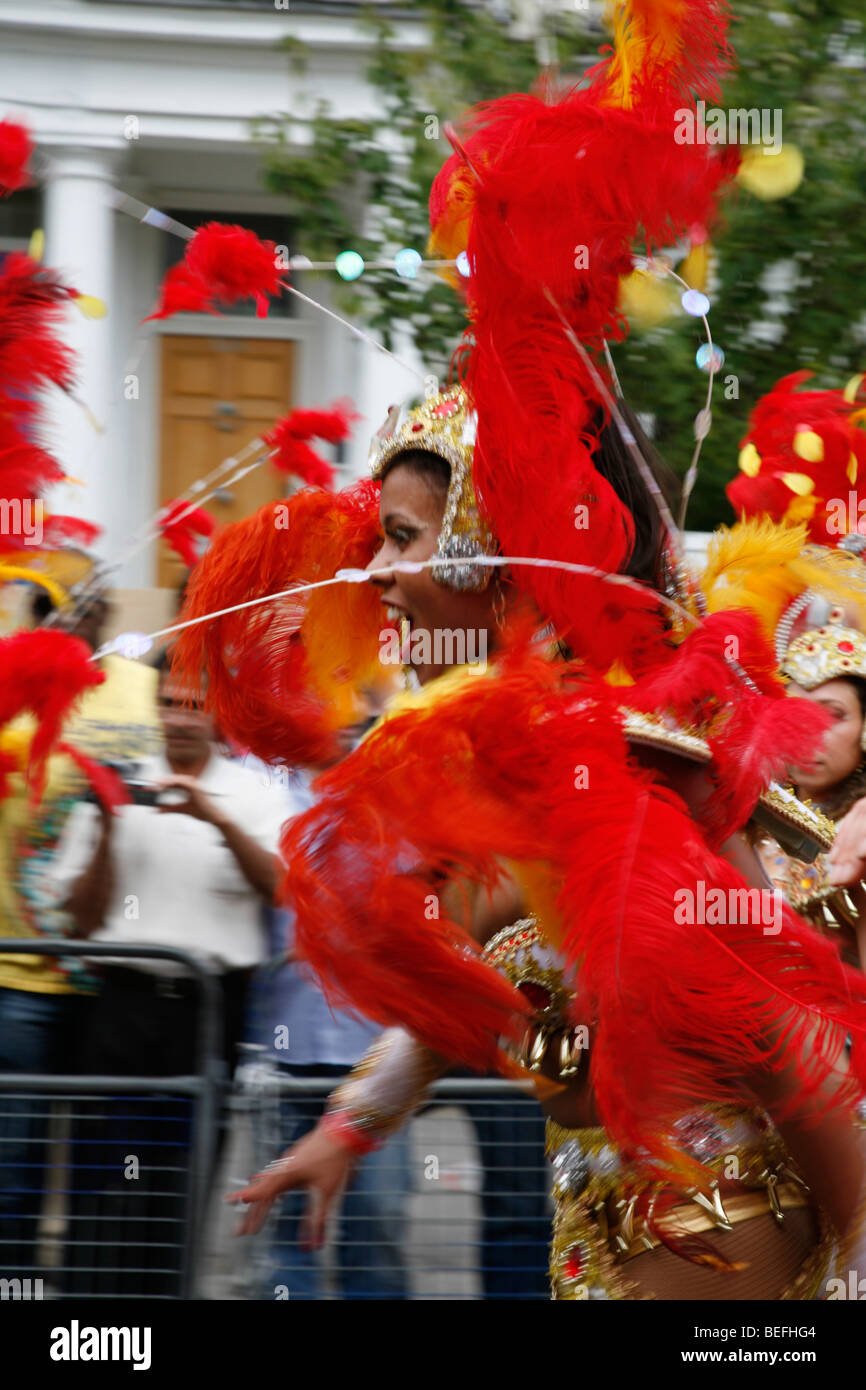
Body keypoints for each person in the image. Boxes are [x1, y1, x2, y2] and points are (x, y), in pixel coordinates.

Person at [177, 0, 866, 1300]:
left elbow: (777, 1022)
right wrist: (344, 1132)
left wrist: (849, 1256)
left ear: (492, 545)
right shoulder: (516, 753)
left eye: (401, 540)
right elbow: (464, 998)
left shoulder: (631, 749)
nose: (373, 577)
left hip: (713, 1223)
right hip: (596, 1225)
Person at [47, 649, 285, 1297]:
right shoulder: (119, 783)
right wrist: (107, 824)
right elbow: (78, 922)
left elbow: (280, 888)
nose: (180, 718)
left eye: (194, 704)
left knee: (181, 1180)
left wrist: (216, 820)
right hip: (121, 1009)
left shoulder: (254, 795)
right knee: (102, 1175)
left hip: (208, 1014)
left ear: (217, 712)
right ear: (153, 708)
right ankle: (93, 1325)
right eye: (169, 703)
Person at [0, 585, 160, 1285]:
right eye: (62, 605)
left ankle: (78, 1296)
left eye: (94, 602)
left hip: (107, 981)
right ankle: (22, 1285)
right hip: (25, 981)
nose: (81, 612)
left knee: (97, 1165)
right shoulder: (12, 690)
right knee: (20, 1159)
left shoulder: (139, 694)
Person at [249, 760, 411, 1301]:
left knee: (378, 1220)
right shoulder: (259, 786)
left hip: (378, 1055)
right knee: (286, 1220)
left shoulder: (397, 780)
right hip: (286, 1047)